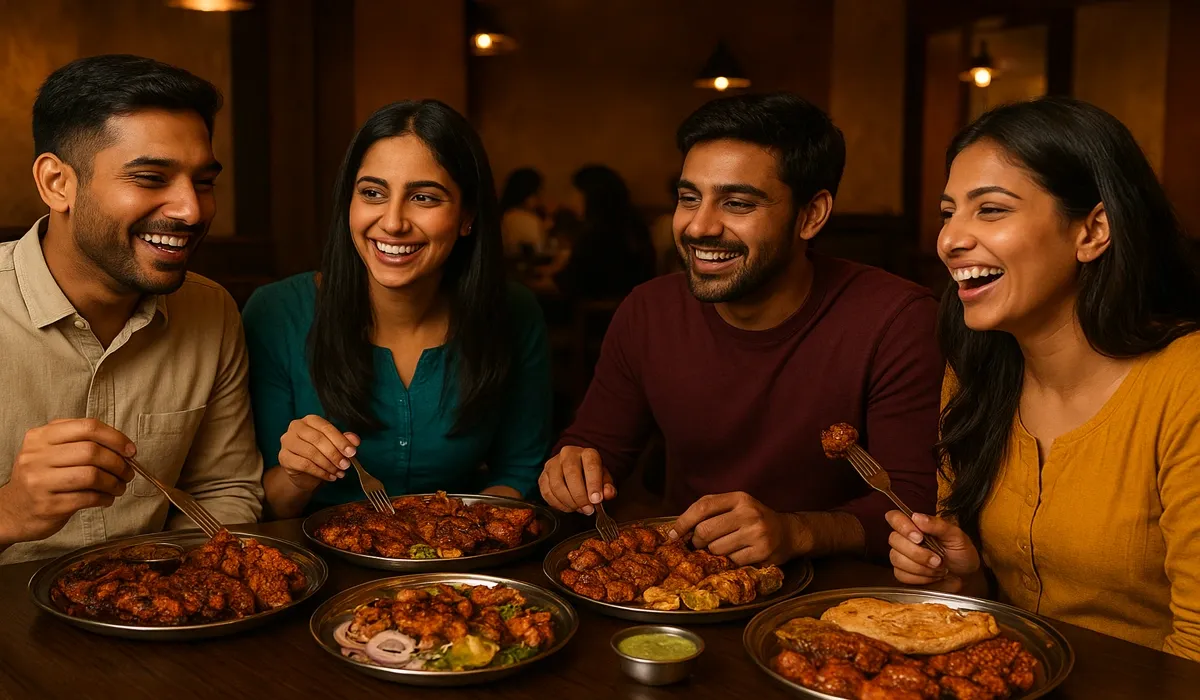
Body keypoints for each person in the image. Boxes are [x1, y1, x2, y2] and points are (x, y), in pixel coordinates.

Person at [538, 93, 943, 565]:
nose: (699, 227)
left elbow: (914, 498)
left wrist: (797, 532)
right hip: (684, 586)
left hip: (839, 598)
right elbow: (599, 444)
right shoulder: (648, 310)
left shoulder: (896, 319)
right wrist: (573, 466)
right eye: (689, 198)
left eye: (736, 203)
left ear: (811, 214)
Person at [885, 97, 1200, 661]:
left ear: (1093, 230)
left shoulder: (1186, 384)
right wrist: (963, 582)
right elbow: (998, 613)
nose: (950, 239)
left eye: (991, 210)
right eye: (948, 211)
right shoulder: (975, 373)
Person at [0, 55, 264, 564]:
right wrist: (10, 511)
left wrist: (165, 600)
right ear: (58, 183)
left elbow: (224, 490)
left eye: (204, 181)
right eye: (149, 178)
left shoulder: (211, 310)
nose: (191, 209)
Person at [242, 100, 552, 519]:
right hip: (319, 564)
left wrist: (450, 544)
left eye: (424, 197)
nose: (392, 222)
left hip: (464, 560)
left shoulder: (513, 311)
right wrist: (298, 474)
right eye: (372, 193)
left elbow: (518, 472)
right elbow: (266, 501)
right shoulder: (276, 312)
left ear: (468, 216)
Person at [554, 165, 655, 300]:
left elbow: (573, 283)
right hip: (633, 309)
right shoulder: (633, 225)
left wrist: (557, 271)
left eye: (574, 192)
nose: (570, 200)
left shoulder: (597, 235)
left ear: (590, 196)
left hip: (597, 314)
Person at [498, 167, 550, 258]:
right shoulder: (522, 218)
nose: (540, 199)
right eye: (537, 193)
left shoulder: (505, 216)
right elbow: (535, 253)